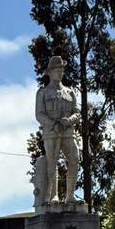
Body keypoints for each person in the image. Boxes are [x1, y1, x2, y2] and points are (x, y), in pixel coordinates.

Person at [35, 56, 81, 204]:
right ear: (50, 72)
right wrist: (53, 125)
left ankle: (70, 195)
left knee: (74, 158)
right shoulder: (42, 93)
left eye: (61, 70)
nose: (60, 72)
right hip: (51, 132)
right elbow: (39, 114)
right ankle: (54, 195)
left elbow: (77, 112)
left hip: (68, 131)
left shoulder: (70, 91)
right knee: (52, 162)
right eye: (57, 70)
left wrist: (70, 120)